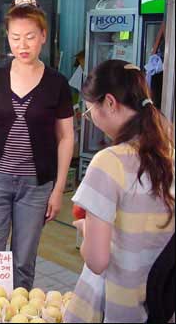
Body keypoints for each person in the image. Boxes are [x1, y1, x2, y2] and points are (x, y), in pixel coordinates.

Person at [0, 0, 74, 290]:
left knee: (23, 265)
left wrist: (58, 190)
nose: (22, 45)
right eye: (15, 38)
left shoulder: (57, 84)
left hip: (36, 186)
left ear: (43, 37)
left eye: (29, 37)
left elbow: (66, 138)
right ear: (7, 39)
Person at [63, 60, 175, 323]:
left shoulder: (108, 162)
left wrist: (86, 230)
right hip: (162, 305)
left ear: (110, 103)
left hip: (117, 308)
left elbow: (97, 261)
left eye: (91, 111)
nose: (92, 120)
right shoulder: (169, 154)